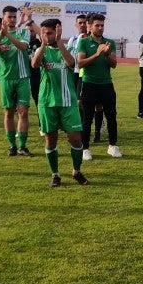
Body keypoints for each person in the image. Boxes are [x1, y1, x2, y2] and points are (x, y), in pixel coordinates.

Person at [31, 19, 89, 188]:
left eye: (50, 33)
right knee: (50, 140)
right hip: (47, 102)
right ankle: (55, 174)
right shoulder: (41, 50)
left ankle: (76, 171)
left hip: (68, 101)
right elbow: (34, 64)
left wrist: (59, 41)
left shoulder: (69, 47)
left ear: (58, 31)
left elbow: (71, 63)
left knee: (76, 139)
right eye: (44, 33)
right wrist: (43, 44)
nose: (46, 36)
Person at [0, 6, 33, 156]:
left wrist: (8, 35)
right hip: (6, 78)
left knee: (23, 112)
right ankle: (12, 146)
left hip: (22, 77)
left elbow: (23, 47)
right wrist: (0, 37)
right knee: (8, 112)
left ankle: (23, 146)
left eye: (14, 17)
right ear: (4, 19)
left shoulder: (24, 32)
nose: (12, 19)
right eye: (9, 17)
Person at [75, 13, 121, 160]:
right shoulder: (83, 42)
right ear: (90, 26)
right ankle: (85, 148)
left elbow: (114, 65)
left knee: (111, 117)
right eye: (97, 25)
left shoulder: (110, 43)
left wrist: (106, 55)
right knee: (87, 118)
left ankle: (112, 146)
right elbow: (80, 63)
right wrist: (97, 54)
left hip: (106, 84)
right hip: (89, 84)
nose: (100, 28)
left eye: (102, 25)